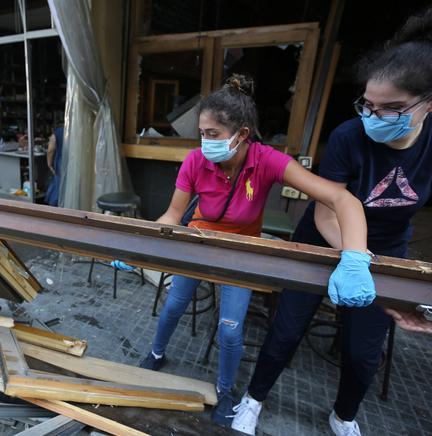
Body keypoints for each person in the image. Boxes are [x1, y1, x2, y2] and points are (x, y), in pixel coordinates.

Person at [231, 8, 432, 436]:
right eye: (368, 105)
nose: (374, 117)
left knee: (363, 351)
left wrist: (382, 272)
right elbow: (328, 209)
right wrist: (353, 257)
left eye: (392, 109)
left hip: (385, 251)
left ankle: (344, 416)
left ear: (428, 104)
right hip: (325, 240)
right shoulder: (347, 137)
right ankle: (254, 398)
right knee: (286, 330)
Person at [135, 74, 373, 427]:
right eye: (202, 134)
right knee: (173, 305)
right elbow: (172, 214)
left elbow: (339, 197)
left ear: (242, 134)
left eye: (213, 134)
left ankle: (225, 390)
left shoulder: (266, 161)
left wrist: (355, 254)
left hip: (242, 250)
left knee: (231, 330)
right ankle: (156, 353)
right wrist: (142, 242)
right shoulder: (195, 161)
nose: (205, 142)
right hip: (198, 241)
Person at [45, 126, 64, 206]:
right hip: (75, 163)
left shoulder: (58, 132)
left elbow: (50, 150)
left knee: (58, 185)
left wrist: (49, 164)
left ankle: (54, 207)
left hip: (61, 162)